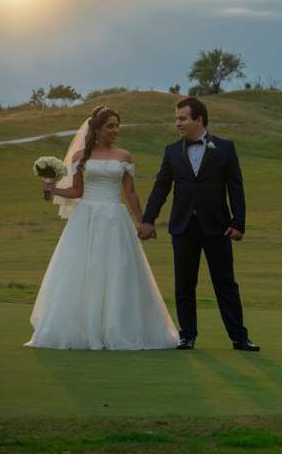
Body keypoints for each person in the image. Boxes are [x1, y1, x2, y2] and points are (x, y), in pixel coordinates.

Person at [25, 106, 178, 350]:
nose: (115, 130)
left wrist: (142, 222)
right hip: (85, 218)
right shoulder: (80, 157)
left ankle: (115, 328)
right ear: (96, 128)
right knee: (82, 270)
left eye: (117, 126)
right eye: (110, 126)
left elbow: (129, 192)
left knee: (117, 269)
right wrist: (52, 189)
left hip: (115, 218)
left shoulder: (124, 157)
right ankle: (83, 330)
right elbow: (77, 191)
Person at [138, 97, 259, 351]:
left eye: (182, 119)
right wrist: (148, 219)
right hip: (183, 227)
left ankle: (239, 337)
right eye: (176, 119)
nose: (177, 124)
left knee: (225, 283)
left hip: (218, 227)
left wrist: (239, 223)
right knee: (184, 284)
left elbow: (236, 188)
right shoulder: (171, 151)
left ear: (199, 119)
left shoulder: (225, 148)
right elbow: (161, 187)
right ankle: (187, 335)